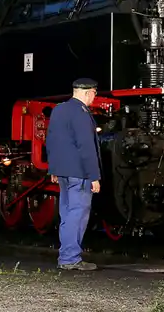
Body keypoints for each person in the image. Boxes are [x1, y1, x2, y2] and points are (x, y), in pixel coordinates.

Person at [46, 78, 102, 270]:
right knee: (77, 214)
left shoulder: (59, 109)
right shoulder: (81, 113)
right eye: (95, 93)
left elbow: (51, 140)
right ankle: (70, 258)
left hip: (62, 172)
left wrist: (53, 169)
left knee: (67, 213)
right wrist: (94, 176)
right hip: (79, 172)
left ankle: (66, 256)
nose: (95, 97)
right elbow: (86, 147)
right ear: (87, 93)